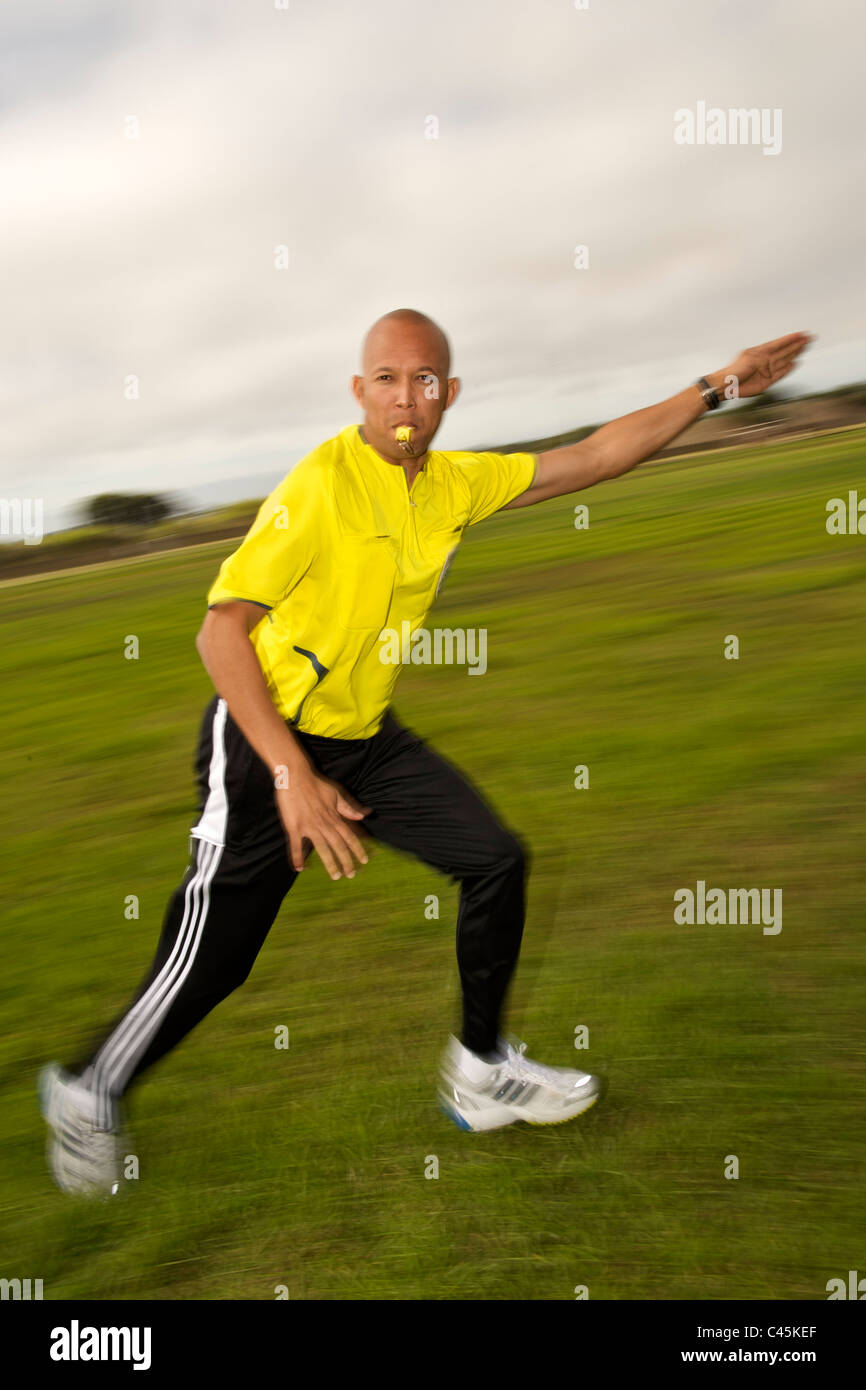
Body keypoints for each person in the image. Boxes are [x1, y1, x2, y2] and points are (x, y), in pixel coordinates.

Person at [39, 309, 812, 1195]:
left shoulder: (450, 484)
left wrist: (720, 386)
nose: (407, 398)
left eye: (426, 380)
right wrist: (293, 775)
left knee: (494, 861)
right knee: (216, 955)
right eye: (388, 379)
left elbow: (598, 454)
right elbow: (223, 635)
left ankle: (481, 1073)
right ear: (360, 390)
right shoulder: (321, 486)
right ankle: (88, 1089)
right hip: (266, 746)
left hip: (366, 738)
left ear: (450, 393)